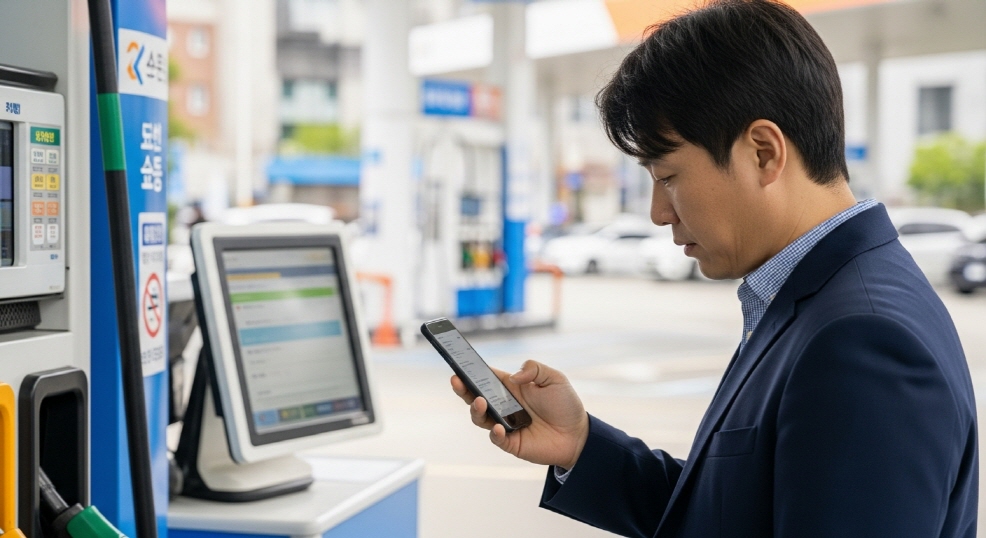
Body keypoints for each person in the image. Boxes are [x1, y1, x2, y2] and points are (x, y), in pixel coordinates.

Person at [450, 0, 979, 536]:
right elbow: (731, 512)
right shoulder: (826, 299)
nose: (658, 213)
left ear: (763, 153)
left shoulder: (862, 343)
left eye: (668, 175)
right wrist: (581, 446)